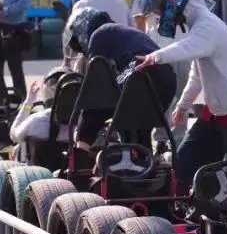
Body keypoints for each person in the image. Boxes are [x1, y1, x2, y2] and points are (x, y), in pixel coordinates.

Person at [133, 0, 227, 190]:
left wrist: (155, 57)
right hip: (216, 110)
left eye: (160, 6)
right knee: (185, 162)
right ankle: (184, 204)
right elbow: (197, 75)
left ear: (175, 1)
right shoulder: (198, 27)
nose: (159, 13)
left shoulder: (208, 26)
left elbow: (186, 48)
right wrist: (183, 106)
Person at [65, 9, 177, 151]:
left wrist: (81, 120)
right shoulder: (120, 33)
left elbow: (95, 83)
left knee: (94, 108)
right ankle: (141, 158)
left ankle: (81, 151)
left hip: (141, 74)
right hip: (166, 81)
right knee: (136, 129)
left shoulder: (99, 34)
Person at [133, 0, 206, 145]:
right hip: (183, 47)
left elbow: (139, 18)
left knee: (161, 94)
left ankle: (161, 139)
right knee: (182, 94)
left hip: (156, 48)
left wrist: (142, 46)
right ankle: (179, 138)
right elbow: (201, 17)